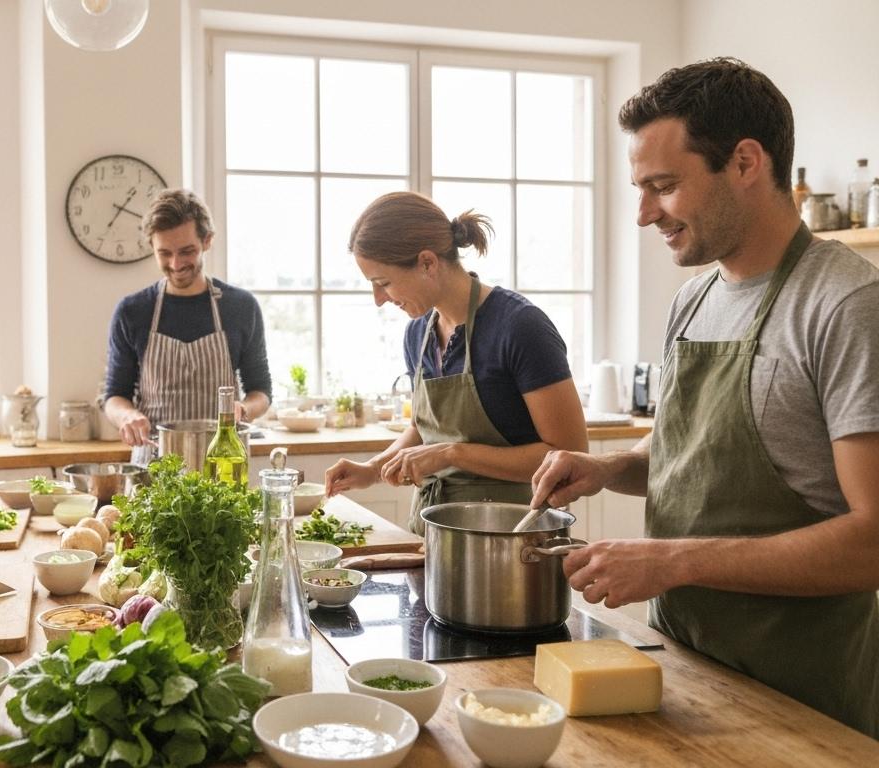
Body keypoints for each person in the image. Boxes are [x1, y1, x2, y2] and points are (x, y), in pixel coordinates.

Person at [529, 58, 879, 737]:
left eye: (663, 186)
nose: (642, 214)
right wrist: (609, 470)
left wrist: (675, 559)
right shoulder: (694, 300)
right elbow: (688, 453)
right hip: (687, 672)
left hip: (805, 700)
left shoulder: (845, 304)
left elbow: (875, 540)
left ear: (746, 162)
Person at [324, 192, 587, 533]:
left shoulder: (520, 327)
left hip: (514, 537)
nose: (379, 300)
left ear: (428, 263)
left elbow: (570, 453)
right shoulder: (417, 334)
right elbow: (425, 427)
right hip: (434, 531)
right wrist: (374, 468)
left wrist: (452, 454)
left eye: (383, 283)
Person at [102, 189, 272, 446]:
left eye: (187, 251)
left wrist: (244, 409)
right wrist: (128, 416)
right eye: (165, 253)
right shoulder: (132, 311)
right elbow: (114, 395)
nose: (176, 263)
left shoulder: (241, 307)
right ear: (152, 246)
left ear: (207, 241)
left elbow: (261, 391)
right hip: (155, 464)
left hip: (224, 465)